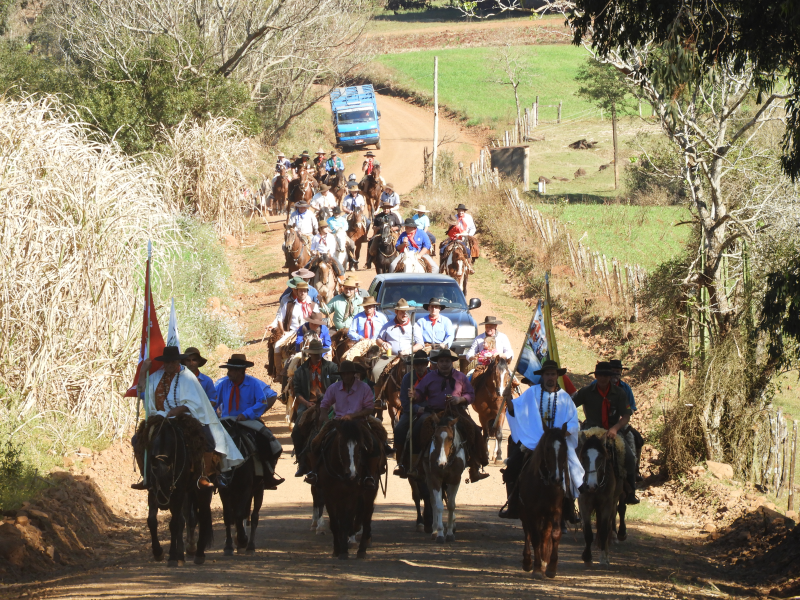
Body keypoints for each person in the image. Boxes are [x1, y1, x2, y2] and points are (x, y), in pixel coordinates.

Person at [131, 346, 243, 490]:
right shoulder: (155, 376)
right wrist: (143, 371)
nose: (170, 365)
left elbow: (196, 401)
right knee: (137, 439)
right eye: (167, 362)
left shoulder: (187, 377)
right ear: (163, 363)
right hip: (159, 418)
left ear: (178, 362)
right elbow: (140, 392)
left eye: (173, 362)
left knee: (207, 440)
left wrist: (180, 409)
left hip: (185, 416)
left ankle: (203, 475)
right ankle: (146, 477)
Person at [500, 360, 583, 520]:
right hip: (534, 442)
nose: (550, 377)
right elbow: (516, 411)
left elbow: (573, 422)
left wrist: (560, 435)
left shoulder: (565, 398)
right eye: (547, 374)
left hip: (558, 443)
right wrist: (509, 399)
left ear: (557, 376)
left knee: (572, 469)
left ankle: (569, 507)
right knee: (513, 465)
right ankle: (513, 503)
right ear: (542, 376)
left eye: (553, 374)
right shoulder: (532, 393)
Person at [414, 348, 490, 483]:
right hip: (434, 412)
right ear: (437, 363)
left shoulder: (460, 377)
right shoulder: (429, 377)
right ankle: (417, 465)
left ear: (452, 363)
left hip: (456, 411)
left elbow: (471, 395)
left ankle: (475, 467)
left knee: (474, 429)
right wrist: (414, 396)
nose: (444, 364)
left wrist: (460, 399)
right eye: (441, 361)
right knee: (417, 427)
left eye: (447, 361)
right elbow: (419, 394)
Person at [304, 361, 382, 488]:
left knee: (373, 443)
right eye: (343, 374)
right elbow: (325, 404)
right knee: (315, 442)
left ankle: (369, 474)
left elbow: (369, 409)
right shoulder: (334, 388)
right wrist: (325, 417)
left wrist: (353, 416)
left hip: (359, 423)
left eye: (348, 373)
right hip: (338, 423)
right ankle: (314, 471)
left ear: (353, 374)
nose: (345, 376)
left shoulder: (364, 388)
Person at [214, 354, 284, 489]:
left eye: (232, 370)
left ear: (241, 371)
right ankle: (211, 475)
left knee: (268, 441)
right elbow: (214, 403)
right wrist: (213, 417)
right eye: (229, 370)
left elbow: (262, 401)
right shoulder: (223, 384)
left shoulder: (253, 384)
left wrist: (246, 414)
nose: (229, 373)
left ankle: (268, 474)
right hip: (226, 421)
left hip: (247, 420)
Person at [572, 361, 639, 504]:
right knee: (572, 455)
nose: (603, 378)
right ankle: (570, 493)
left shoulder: (620, 393)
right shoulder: (586, 391)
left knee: (629, 457)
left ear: (611, 376)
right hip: (589, 432)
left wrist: (615, 428)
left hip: (611, 432)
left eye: (606, 375)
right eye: (600, 375)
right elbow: (570, 406)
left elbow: (626, 415)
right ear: (595, 376)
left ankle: (630, 490)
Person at [290, 340, 340, 476]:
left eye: (319, 353)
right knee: (296, 430)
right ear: (310, 354)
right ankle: (301, 462)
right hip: (308, 404)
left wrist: (329, 400)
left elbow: (338, 385)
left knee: (342, 422)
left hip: (329, 404)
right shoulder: (300, 371)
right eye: (314, 353)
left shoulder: (332, 367)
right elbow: (297, 392)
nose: (317, 356)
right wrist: (306, 403)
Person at [392, 349, 432, 477]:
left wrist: (427, 408)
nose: (420, 367)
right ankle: (401, 463)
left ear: (427, 364)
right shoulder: (407, 378)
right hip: (411, 412)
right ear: (413, 365)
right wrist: (415, 409)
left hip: (432, 411)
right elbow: (403, 399)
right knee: (398, 430)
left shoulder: (433, 376)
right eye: (417, 364)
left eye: (422, 364)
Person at [267, 279, 318, 357]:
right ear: (297, 292)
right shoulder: (288, 304)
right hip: (294, 331)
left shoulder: (312, 304)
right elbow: (280, 318)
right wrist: (282, 331)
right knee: (277, 345)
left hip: (310, 331)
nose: (303, 293)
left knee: (325, 347)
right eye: (300, 291)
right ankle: (278, 368)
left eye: (304, 291)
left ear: (307, 292)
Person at [365, 201, 402, 269]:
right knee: (371, 241)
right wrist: (379, 228)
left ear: (390, 208)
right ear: (382, 209)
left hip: (392, 234)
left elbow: (399, 225)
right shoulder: (378, 216)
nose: (386, 209)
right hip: (380, 233)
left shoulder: (394, 216)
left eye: (387, 208)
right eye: (384, 208)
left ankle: (400, 258)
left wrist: (394, 228)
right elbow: (374, 226)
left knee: (399, 243)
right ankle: (369, 260)